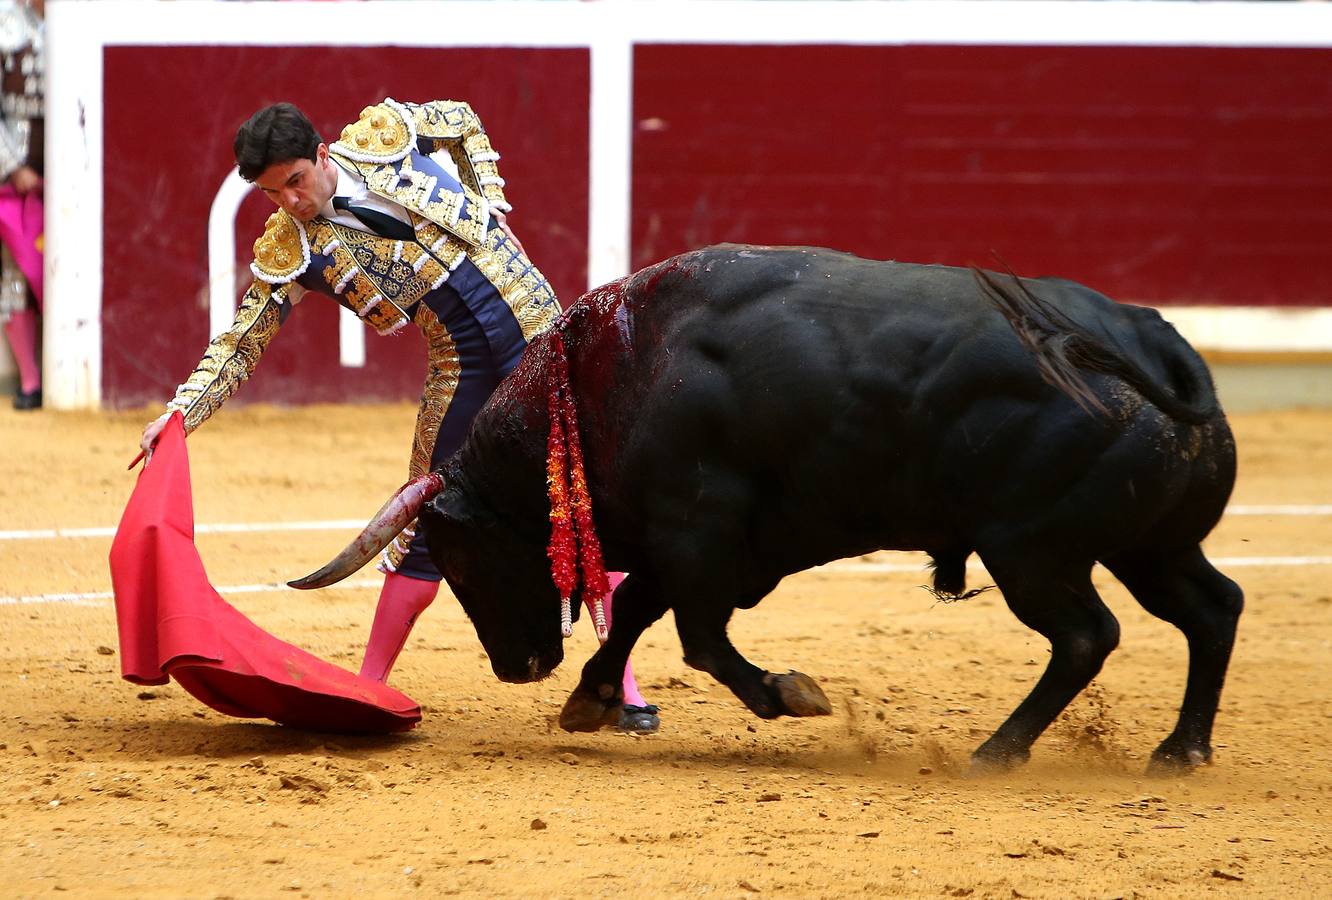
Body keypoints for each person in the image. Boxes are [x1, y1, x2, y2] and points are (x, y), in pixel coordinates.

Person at [138, 99, 659, 733]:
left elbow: (464, 121)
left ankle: (619, 687)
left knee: (582, 504)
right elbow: (241, 342)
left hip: (538, 332)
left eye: (296, 181)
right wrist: (179, 415)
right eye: (274, 194)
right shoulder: (292, 250)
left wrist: (488, 206)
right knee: (422, 517)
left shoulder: (384, 136)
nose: (292, 203)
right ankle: (367, 688)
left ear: (323, 155)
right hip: (461, 365)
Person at [0, 0, 43, 410]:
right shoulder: (5, 21)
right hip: (17, 180)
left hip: (71, 176)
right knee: (17, 277)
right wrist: (12, 166)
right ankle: (31, 381)